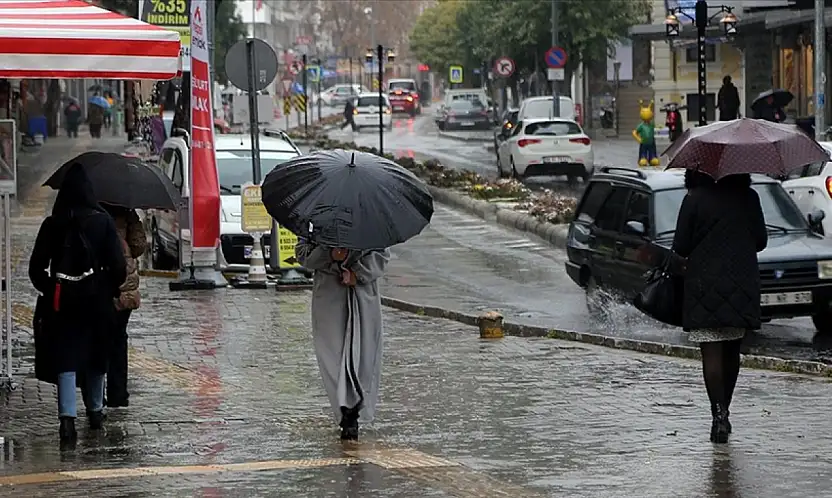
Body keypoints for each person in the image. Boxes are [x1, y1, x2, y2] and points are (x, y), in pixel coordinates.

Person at [28, 163, 127, 442]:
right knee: (97, 354)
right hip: (97, 301)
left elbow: (36, 269)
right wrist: (108, 288)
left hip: (62, 303)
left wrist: (52, 289)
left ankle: (67, 420)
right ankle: (95, 411)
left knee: (67, 357)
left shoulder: (53, 224)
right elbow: (118, 266)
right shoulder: (103, 222)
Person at [672, 170, 767, 444]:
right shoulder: (749, 197)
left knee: (711, 352)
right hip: (740, 282)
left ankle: (718, 416)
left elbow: (681, 245)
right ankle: (725, 411)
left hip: (703, 284)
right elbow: (761, 241)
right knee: (732, 351)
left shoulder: (694, 199)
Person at [295, 239, 390, 440]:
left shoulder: (371, 226)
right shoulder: (314, 226)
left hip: (364, 295)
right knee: (332, 356)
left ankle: (359, 407)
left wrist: (358, 274)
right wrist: (330, 255)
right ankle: (344, 411)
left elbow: (381, 255)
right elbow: (303, 255)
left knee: (365, 353)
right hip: (329, 296)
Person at [101, 203, 147, 408]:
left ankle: (95, 395)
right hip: (124, 285)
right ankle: (118, 393)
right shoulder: (126, 211)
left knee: (98, 338)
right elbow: (138, 246)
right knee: (119, 338)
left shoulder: (90, 210)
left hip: (99, 282)